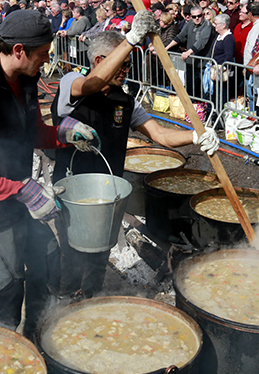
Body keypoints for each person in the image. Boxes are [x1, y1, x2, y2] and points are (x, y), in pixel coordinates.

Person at [0, 9, 99, 338]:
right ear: (19, 50)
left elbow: (32, 132)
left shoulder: (25, 78)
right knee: (7, 287)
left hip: (17, 193)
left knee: (47, 259)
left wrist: (63, 134)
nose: (46, 61)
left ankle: (36, 336)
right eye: (43, 54)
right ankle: (1, 351)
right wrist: (23, 190)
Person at [51, 20, 219, 299]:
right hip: (72, 190)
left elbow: (160, 135)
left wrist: (195, 136)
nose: (127, 72)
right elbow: (90, 85)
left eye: (129, 65)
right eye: (123, 65)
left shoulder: (127, 102)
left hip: (108, 192)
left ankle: (88, 298)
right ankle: (62, 302)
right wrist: (130, 39)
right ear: (100, 61)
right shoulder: (72, 83)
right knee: (72, 251)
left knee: (99, 254)